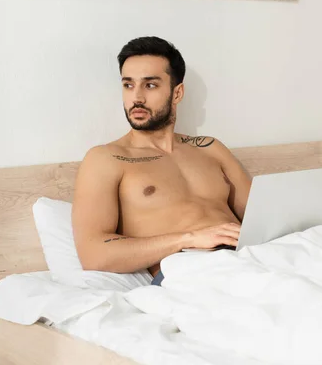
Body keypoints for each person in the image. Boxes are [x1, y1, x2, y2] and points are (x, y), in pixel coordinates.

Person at [71, 36, 252, 286]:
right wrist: (188, 239)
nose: (137, 98)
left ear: (177, 93)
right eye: (128, 85)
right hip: (191, 271)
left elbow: (260, 218)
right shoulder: (106, 159)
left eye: (150, 85)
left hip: (250, 259)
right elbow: (93, 254)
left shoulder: (210, 148)